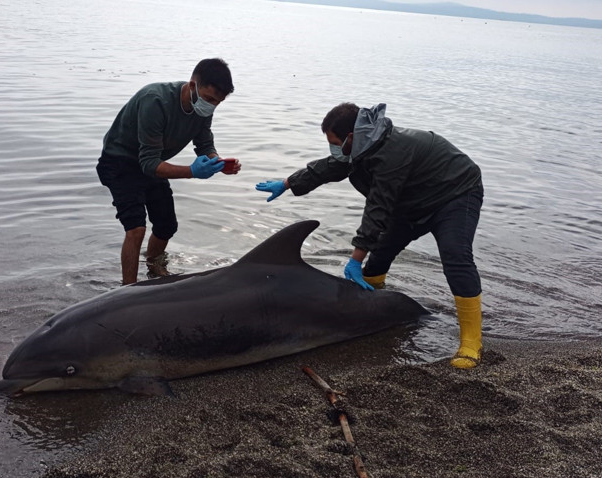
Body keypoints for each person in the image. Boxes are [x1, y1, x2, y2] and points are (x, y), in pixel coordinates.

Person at [255, 103, 484, 369]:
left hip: (454, 194)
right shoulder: (361, 147)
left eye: (335, 142)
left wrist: (355, 258)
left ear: (351, 137)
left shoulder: (392, 152)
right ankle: (376, 311)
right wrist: (287, 183)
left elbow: (379, 207)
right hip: (411, 202)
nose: (333, 148)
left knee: (456, 258)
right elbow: (329, 167)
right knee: (378, 259)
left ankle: (471, 342)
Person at [96, 58, 241, 285]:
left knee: (166, 226)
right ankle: (127, 291)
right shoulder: (155, 100)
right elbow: (149, 164)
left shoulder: (204, 108)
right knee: (136, 228)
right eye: (209, 99)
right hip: (119, 161)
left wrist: (217, 162)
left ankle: (154, 270)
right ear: (193, 85)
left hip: (153, 162)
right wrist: (192, 172)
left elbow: (204, 144)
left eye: (217, 103)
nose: (211, 106)